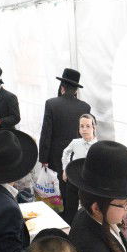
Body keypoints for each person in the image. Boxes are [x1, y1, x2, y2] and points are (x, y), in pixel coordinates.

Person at [39, 68, 91, 222]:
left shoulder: (51, 104)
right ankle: (72, 219)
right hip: (77, 155)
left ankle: (59, 220)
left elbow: (46, 133)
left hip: (56, 155)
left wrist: (43, 158)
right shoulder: (85, 107)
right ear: (76, 90)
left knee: (58, 189)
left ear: (62, 87)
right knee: (74, 189)